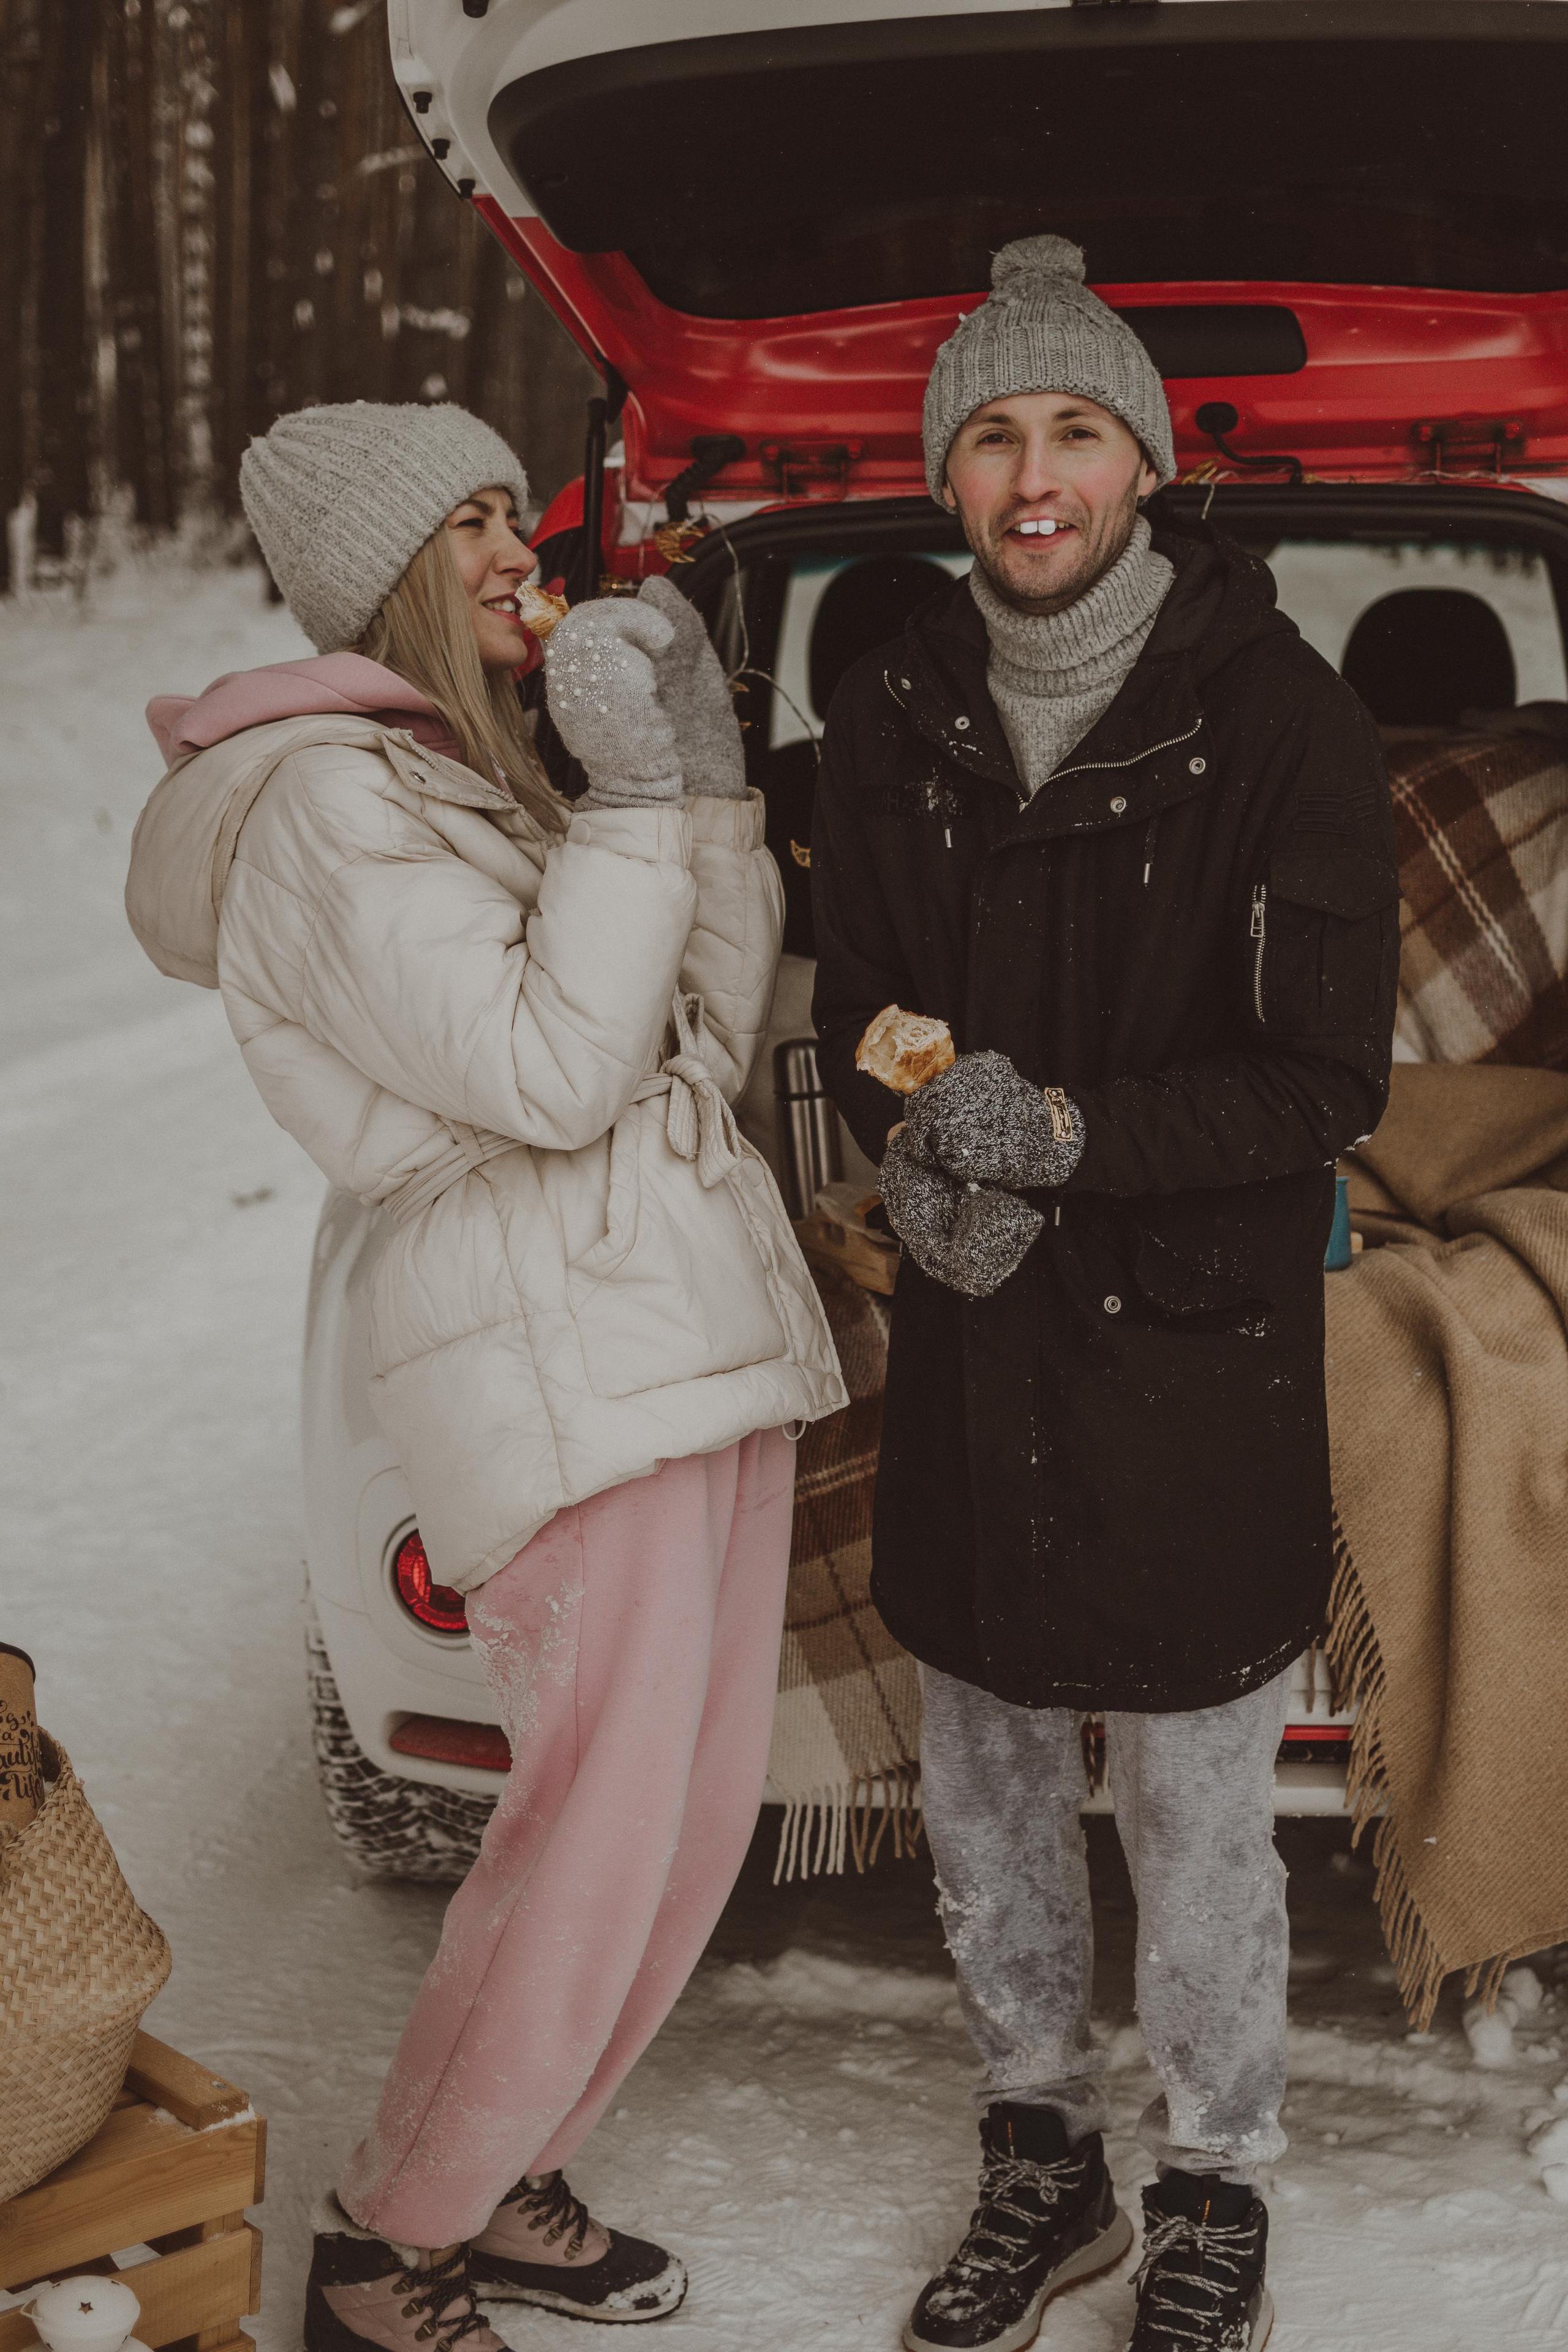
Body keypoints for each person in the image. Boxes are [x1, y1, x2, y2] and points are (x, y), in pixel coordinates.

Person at [126, 399, 844, 2345]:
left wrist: (686, 791)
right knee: (594, 1833)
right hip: (552, 1342)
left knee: (690, 1825)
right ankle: (388, 2240)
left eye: (501, 505)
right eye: (466, 524)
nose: (519, 544)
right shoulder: (322, 808)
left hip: (677, 1314)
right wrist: (618, 812)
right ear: (381, 579)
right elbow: (547, 1075)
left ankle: (506, 2169)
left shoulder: (471, 768)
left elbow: (700, 1008)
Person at [810, 238, 1399, 2352]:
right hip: (978, 1340)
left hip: (1197, 1348)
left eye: (1071, 430)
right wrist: (922, 1133)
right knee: (980, 1775)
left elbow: (1330, 1076)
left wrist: (1063, 1140)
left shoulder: (1285, 718)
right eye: (991, 435)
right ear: (947, 481)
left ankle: (1218, 2177)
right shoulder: (888, 714)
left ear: (1144, 464)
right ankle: (1035, 2152)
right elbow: (864, 998)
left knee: (1195, 1808)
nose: (1031, 474)